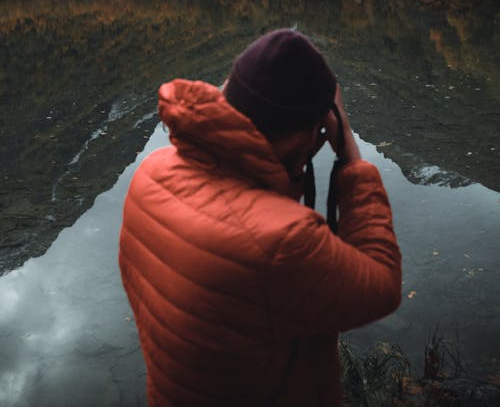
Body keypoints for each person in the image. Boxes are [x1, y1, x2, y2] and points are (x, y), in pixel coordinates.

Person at [119, 28, 401, 407]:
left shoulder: (152, 173)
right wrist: (350, 154)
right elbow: (382, 286)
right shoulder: (281, 242)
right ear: (305, 133)